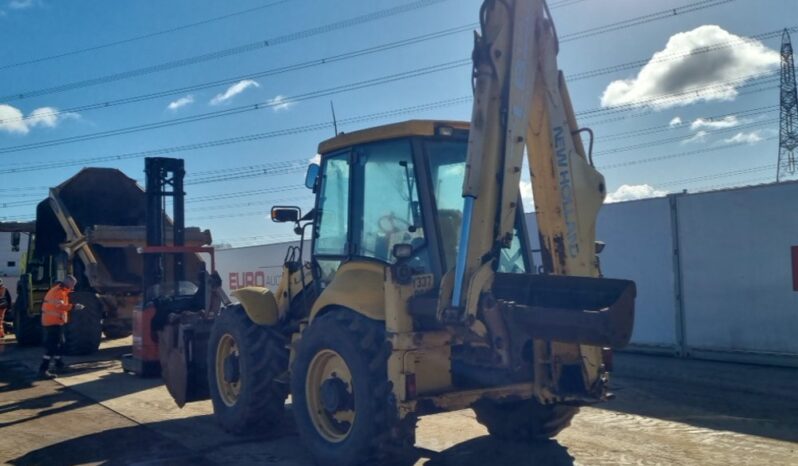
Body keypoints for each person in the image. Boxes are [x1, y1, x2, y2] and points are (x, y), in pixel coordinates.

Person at [38, 275, 84, 378]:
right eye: (73, 285)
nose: (73, 288)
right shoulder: (59, 292)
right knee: (53, 346)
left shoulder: (58, 290)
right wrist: (74, 306)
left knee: (59, 343)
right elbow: (60, 306)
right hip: (53, 322)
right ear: (68, 283)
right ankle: (43, 369)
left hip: (54, 322)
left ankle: (59, 364)